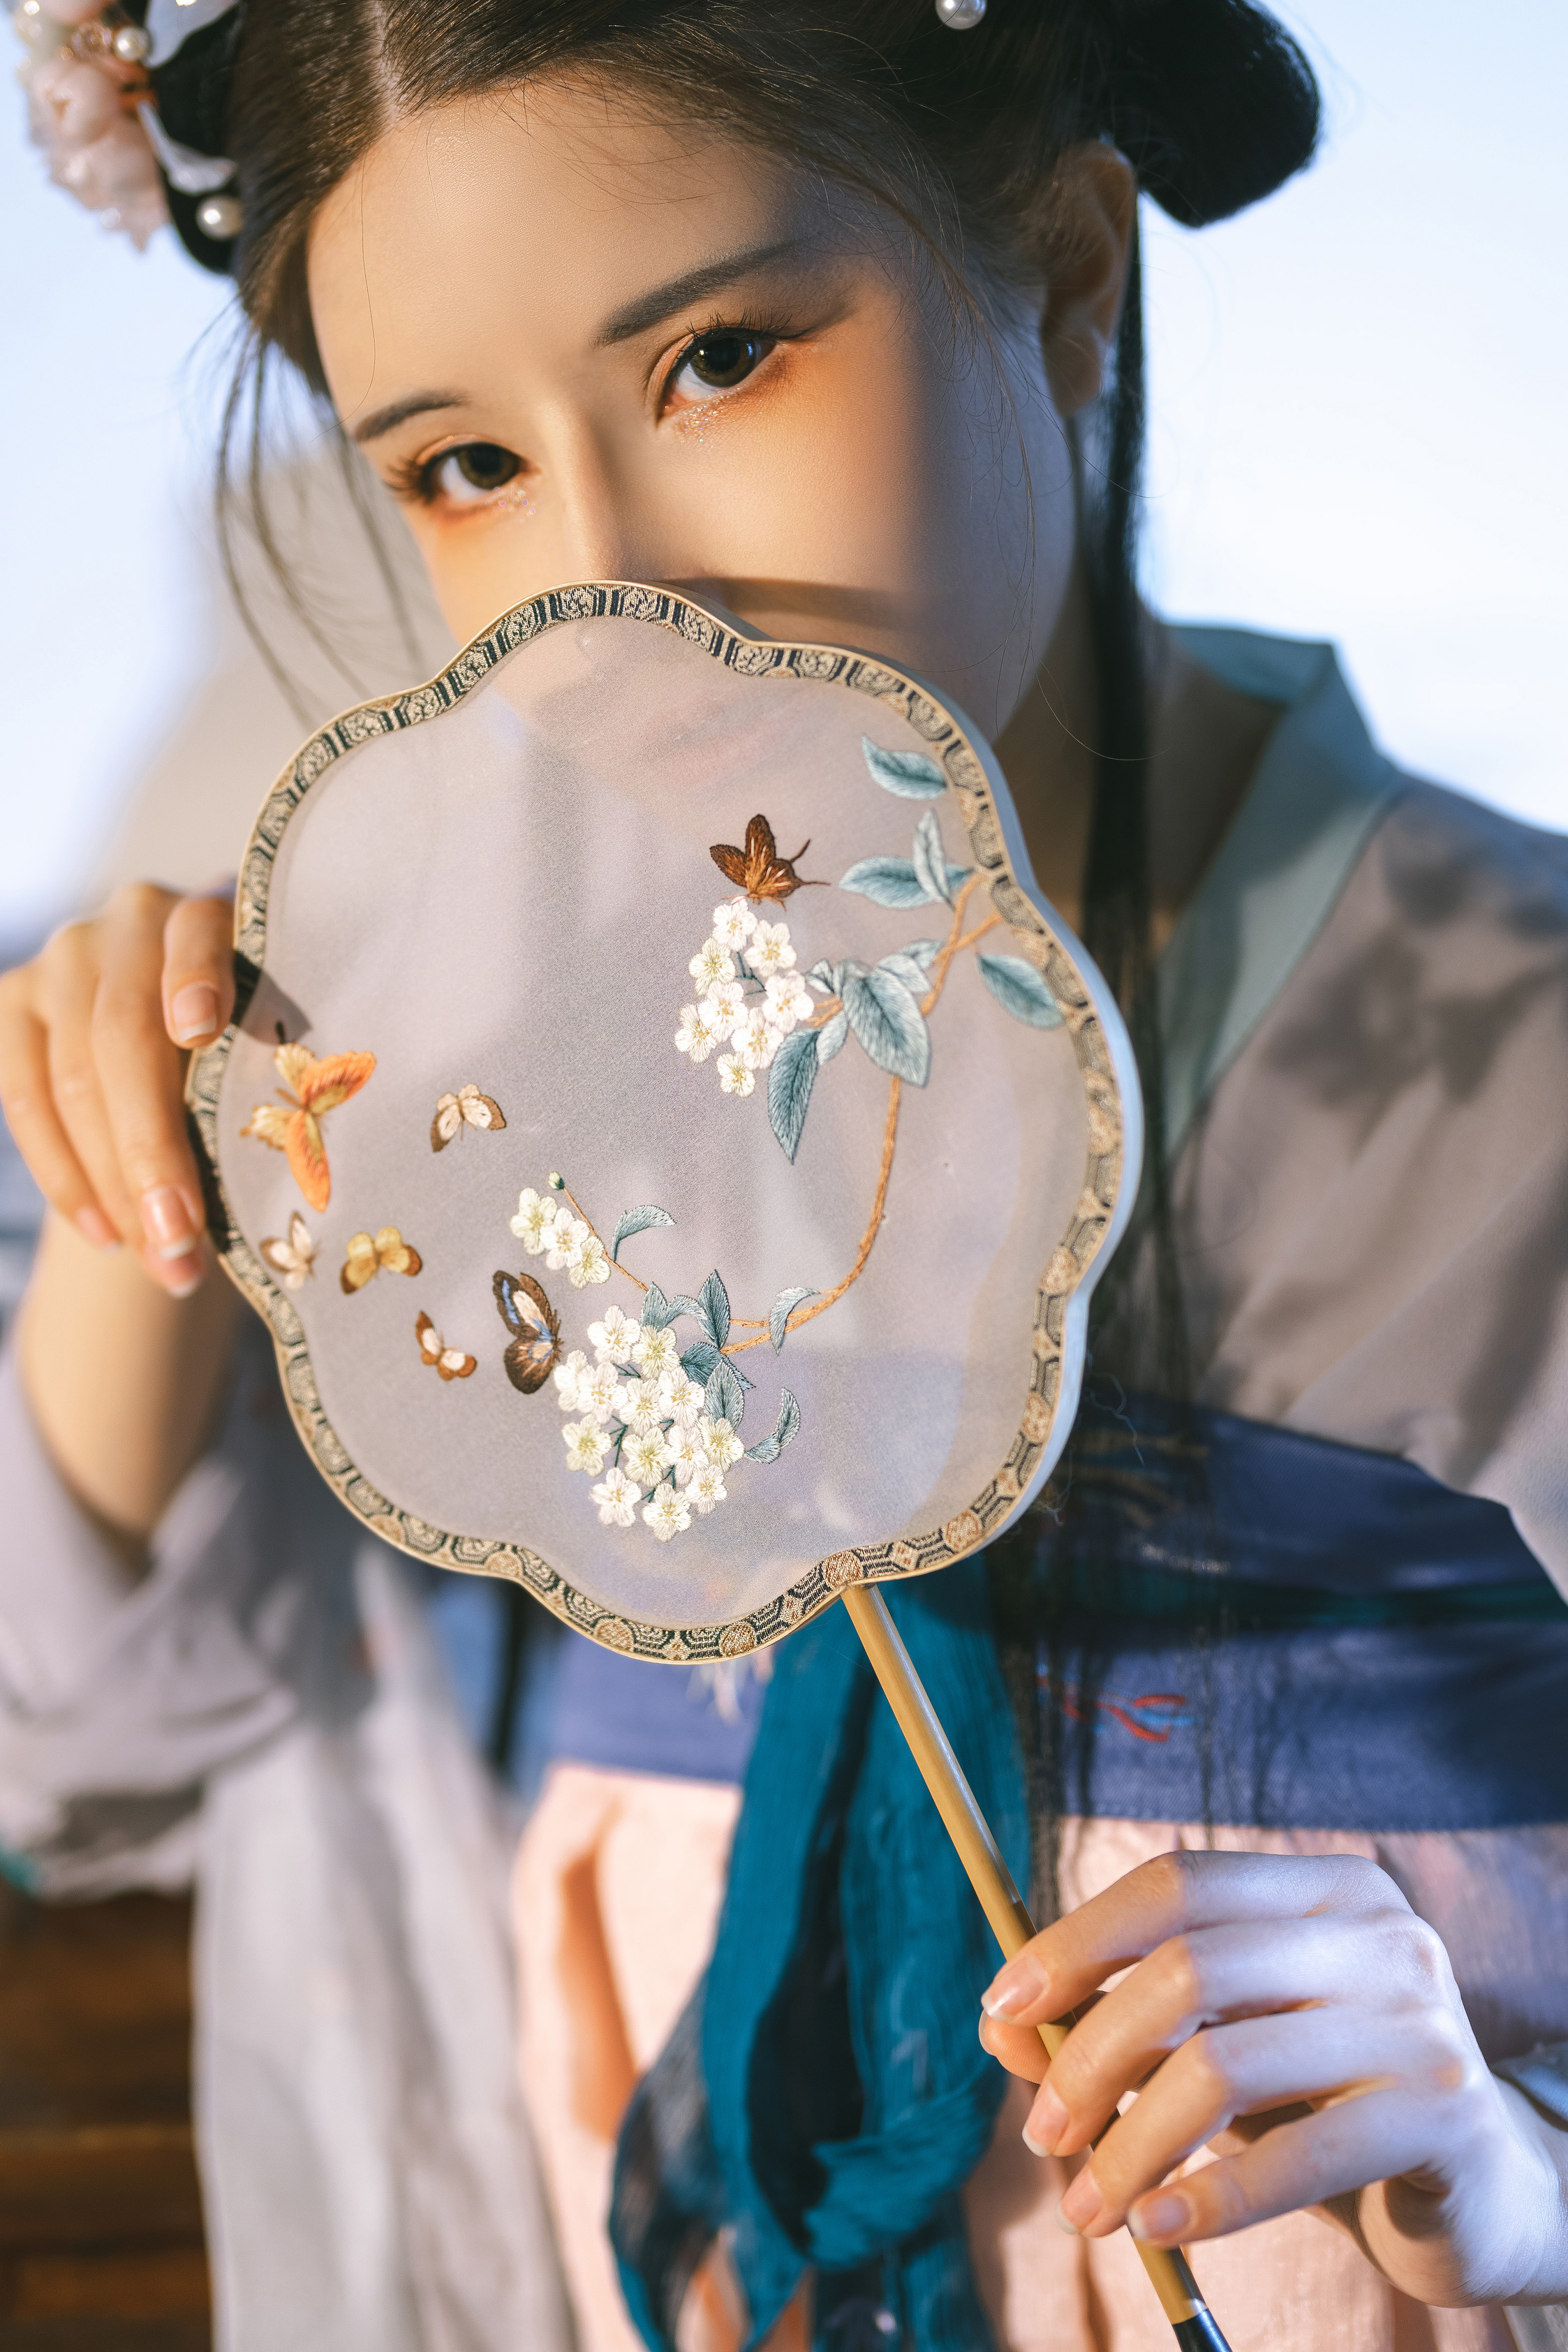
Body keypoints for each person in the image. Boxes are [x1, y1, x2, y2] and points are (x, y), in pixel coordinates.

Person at [3, 2, 1567, 2349]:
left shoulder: (1510, 1032)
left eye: (722, 358)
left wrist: (1523, 2176)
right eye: (463, 468)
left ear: (1067, 275)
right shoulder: (457, 1063)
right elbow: (86, 1742)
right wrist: (147, 1159)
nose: (608, 600)